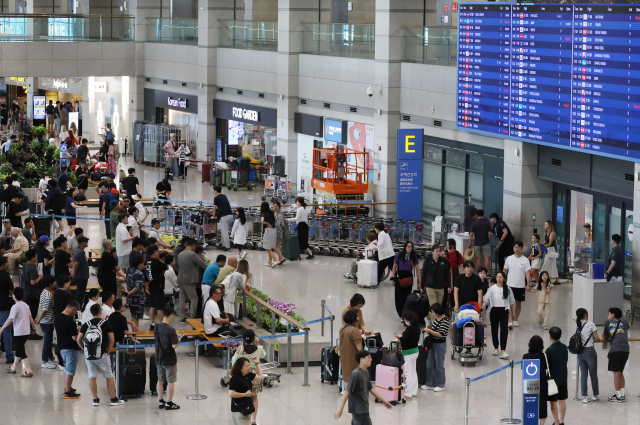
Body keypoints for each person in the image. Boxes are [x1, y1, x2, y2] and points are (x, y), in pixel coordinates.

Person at [77, 303, 125, 406]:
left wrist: (84, 349)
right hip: (102, 354)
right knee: (109, 375)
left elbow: (78, 339)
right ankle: (113, 399)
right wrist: (108, 352)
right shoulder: (106, 324)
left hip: (88, 355)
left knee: (92, 376)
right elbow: (112, 340)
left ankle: (95, 400)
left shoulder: (86, 324)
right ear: (100, 312)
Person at [334, 350, 393, 422]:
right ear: (362, 359)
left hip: (364, 408)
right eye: (369, 358)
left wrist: (383, 401)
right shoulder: (355, 374)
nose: (371, 360)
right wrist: (341, 408)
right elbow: (347, 391)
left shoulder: (366, 372)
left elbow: (371, 389)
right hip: (359, 411)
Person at [231, 329, 266, 424]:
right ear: (253, 338)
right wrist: (258, 343)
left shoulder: (240, 348)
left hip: (243, 375)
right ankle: (254, 419)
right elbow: (263, 355)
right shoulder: (258, 348)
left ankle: (246, 416)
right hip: (255, 373)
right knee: (254, 397)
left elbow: (234, 361)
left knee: (244, 396)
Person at [0, 287, 35, 377]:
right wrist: (34, 328)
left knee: (21, 351)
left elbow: (9, 319)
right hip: (26, 331)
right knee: (19, 350)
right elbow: (30, 318)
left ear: (14, 296)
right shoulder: (26, 305)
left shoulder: (15, 307)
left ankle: (28, 370)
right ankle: (13, 367)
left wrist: (2, 328)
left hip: (19, 332)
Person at [482, 272, 515, 359]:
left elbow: (512, 302)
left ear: (503, 278)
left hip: (504, 311)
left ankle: (503, 350)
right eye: (497, 277)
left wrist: (512, 315)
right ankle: (496, 348)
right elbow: (486, 299)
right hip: (494, 311)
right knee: (494, 330)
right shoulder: (492, 288)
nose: (499, 278)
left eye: (500, 277)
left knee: (504, 330)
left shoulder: (508, 289)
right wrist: (482, 307)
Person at [155, 305, 182, 410]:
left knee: (160, 380)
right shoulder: (171, 330)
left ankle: (161, 401)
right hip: (169, 358)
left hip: (159, 357)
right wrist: (178, 340)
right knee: (171, 381)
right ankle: (169, 403)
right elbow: (174, 345)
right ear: (171, 316)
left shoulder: (157, 327)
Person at [54, 299, 82, 399]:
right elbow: (75, 337)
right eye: (75, 311)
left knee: (66, 368)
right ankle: (68, 392)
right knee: (70, 370)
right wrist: (79, 330)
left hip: (61, 346)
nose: (75, 314)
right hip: (70, 348)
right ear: (72, 309)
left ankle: (67, 387)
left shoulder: (58, 317)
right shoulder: (69, 321)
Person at [602, 307, 630, 403]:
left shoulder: (608, 322)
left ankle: (618, 397)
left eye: (609, 313)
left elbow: (605, 337)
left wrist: (604, 335)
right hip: (625, 350)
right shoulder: (625, 322)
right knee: (621, 372)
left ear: (613, 315)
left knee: (616, 373)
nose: (608, 315)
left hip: (615, 350)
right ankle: (622, 395)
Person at [229, 355, 265, 425]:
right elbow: (231, 394)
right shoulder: (235, 378)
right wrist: (246, 394)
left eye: (248, 365)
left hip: (247, 408)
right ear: (240, 368)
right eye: (246, 366)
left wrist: (257, 363)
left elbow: (260, 377)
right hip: (239, 410)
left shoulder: (248, 375)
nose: (248, 368)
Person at [177, 239, 208, 320]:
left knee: (182, 299)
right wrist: (211, 268)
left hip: (180, 278)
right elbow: (202, 264)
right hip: (188, 280)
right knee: (194, 299)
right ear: (193, 245)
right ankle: (192, 317)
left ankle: (181, 316)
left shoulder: (180, 253)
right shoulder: (192, 254)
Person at [503, 241, 531, 327]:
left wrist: (528, 284)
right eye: (515, 247)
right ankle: (510, 319)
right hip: (510, 285)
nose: (517, 249)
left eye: (518, 247)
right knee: (510, 303)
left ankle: (516, 319)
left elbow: (527, 273)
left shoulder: (525, 260)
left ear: (521, 249)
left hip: (520, 285)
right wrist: (502, 282)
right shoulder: (509, 258)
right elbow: (505, 271)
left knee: (518, 303)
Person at [390, 241, 421, 318]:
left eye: (411, 247)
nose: (410, 248)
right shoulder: (399, 255)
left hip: (408, 280)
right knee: (399, 298)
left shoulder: (413, 257)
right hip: (400, 279)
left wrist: (419, 281)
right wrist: (393, 278)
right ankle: (401, 315)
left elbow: (418, 270)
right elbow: (394, 267)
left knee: (407, 298)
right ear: (405, 247)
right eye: (408, 246)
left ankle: (405, 315)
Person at [575, 308, 600, 403]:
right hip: (589, 351)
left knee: (583, 374)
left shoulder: (577, 325)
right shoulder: (591, 324)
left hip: (580, 352)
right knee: (593, 374)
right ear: (586, 314)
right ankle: (595, 395)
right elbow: (596, 338)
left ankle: (584, 397)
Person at [421, 244, 451, 324]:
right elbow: (423, 273)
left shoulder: (444, 261)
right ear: (432, 252)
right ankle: (435, 323)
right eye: (436, 251)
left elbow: (447, 274)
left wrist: (449, 285)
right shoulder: (428, 260)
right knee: (434, 305)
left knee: (439, 305)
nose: (438, 253)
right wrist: (422, 286)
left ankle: (429, 317)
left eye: (439, 251)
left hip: (440, 286)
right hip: (430, 286)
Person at [422, 303, 449, 392]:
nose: (433, 314)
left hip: (440, 345)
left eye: (433, 312)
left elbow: (440, 334)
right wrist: (430, 331)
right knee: (429, 364)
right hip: (433, 344)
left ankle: (440, 384)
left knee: (439, 365)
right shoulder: (437, 319)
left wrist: (430, 331)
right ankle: (430, 383)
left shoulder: (445, 320)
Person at [522, 335, 548, 425]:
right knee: (542, 405)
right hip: (542, 384)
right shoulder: (544, 356)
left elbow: (523, 368)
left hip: (529, 385)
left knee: (529, 403)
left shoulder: (525, 357)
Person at [546, 327, 568, 425]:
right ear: (560, 335)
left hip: (553, 380)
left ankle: (556, 422)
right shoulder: (564, 347)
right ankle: (562, 421)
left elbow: (546, 364)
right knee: (562, 400)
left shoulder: (549, 350)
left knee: (553, 402)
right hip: (563, 377)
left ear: (550, 336)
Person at [396, 310, 420, 399]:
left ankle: (408, 392)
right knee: (414, 371)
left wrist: (400, 337)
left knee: (408, 373)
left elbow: (404, 340)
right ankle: (414, 391)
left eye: (405, 319)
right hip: (415, 351)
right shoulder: (416, 327)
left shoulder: (409, 329)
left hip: (408, 353)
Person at [339, 310, 363, 392]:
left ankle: (347, 393)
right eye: (357, 316)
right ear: (354, 318)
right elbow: (359, 348)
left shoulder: (342, 328)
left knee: (346, 376)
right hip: (353, 358)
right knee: (354, 376)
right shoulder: (354, 330)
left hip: (344, 356)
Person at [22, 249, 43, 337]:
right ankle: (31, 333)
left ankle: (29, 331)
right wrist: (40, 277)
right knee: (32, 313)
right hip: (33, 294)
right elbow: (33, 282)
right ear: (32, 257)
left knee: (29, 313)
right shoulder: (32, 269)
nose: (37, 256)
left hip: (27, 292)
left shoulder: (26, 265)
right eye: (36, 255)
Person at [147, 244, 168, 329]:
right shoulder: (156, 262)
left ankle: (152, 323)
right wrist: (159, 258)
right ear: (154, 252)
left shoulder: (148, 261)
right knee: (160, 307)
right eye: (157, 251)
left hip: (151, 286)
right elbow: (166, 267)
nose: (158, 252)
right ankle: (163, 325)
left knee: (153, 306)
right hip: (158, 287)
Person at [124, 256, 147, 330]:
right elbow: (138, 286)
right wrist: (130, 292)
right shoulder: (139, 273)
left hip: (130, 299)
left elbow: (125, 282)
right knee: (135, 317)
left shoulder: (130, 270)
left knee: (134, 316)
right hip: (138, 299)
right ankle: (135, 334)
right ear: (139, 264)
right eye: (142, 262)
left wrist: (126, 291)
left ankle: (135, 332)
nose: (144, 263)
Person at [0, 257, 15, 365]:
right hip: (4, 306)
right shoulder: (6, 276)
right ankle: (9, 356)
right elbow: (11, 292)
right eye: (7, 262)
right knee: (6, 331)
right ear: (3, 264)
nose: (8, 263)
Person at [212, 185, 234, 251]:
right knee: (223, 231)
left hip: (224, 216)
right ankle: (224, 245)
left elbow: (214, 208)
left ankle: (227, 247)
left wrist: (213, 216)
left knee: (225, 232)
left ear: (216, 191)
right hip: (230, 215)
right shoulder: (225, 196)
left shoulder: (216, 198)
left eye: (214, 191)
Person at [540, 221, 560, 285]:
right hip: (548, 250)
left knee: (545, 264)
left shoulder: (552, 233)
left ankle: (540, 279)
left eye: (546, 224)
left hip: (551, 250)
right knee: (553, 266)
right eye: (544, 224)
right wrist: (539, 244)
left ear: (549, 225)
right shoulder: (546, 233)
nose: (544, 225)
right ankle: (557, 280)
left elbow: (550, 244)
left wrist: (542, 247)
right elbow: (545, 243)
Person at [71, 236, 90, 303]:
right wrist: (74, 274)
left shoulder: (78, 250)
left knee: (80, 293)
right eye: (86, 241)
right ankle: (78, 308)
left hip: (81, 276)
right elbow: (76, 265)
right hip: (81, 276)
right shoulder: (80, 252)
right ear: (82, 243)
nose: (87, 242)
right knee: (80, 294)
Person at [260, 202, 278, 267]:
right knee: (270, 247)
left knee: (267, 248)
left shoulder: (263, 213)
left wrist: (266, 223)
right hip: (274, 230)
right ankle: (270, 262)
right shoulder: (271, 212)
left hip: (269, 230)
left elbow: (262, 221)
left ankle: (276, 260)